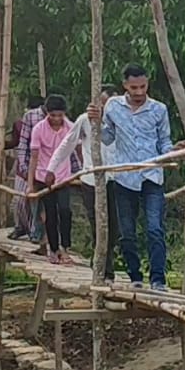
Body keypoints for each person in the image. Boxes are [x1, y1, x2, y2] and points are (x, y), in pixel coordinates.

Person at [87, 65, 174, 290]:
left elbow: (164, 140)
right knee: (127, 232)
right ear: (125, 85)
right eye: (133, 87)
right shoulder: (113, 106)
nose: (138, 92)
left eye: (142, 86)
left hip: (152, 175)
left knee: (154, 228)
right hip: (124, 176)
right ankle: (135, 276)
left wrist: (170, 153)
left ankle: (158, 279)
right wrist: (95, 121)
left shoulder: (159, 109)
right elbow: (107, 138)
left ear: (148, 84)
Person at [48, 89, 118, 277]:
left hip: (116, 179)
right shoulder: (84, 120)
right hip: (91, 180)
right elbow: (67, 144)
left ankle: (104, 261)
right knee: (98, 223)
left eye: (109, 104)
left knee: (115, 226)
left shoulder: (121, 121)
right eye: (102, 103)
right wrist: (51, 168)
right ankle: (104, 269)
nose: (104, 107)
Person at [29, 95, 76, 265]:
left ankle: (65, 248)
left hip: (63, 177)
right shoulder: (38, 130)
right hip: (43, 177)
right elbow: (34, 158)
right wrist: (30, 185)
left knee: (65, 211)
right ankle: (54, 249)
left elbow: (77, 149)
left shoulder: (70, 128)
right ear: (47, 113)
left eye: (60, 115)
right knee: (50, 214)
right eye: (53, 115)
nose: (57, 119)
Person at [7, 96, 45, 240]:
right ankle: (20, 227)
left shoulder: (49, 123)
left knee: (37, 202)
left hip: (42, 168)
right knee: (19, 200)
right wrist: (2, 145)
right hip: (24, 167)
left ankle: (34, 231)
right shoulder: (20, 124)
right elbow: (17, 143)